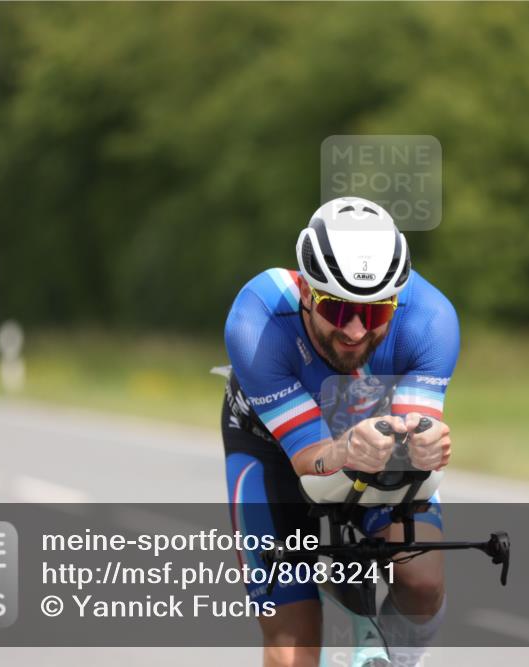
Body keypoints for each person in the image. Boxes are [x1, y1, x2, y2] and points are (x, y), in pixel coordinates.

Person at [222, 197, 460, 667]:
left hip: (373, 436)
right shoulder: (257, 320)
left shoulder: (430, 320)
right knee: (293, 647)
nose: (354, 330)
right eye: (337, 308)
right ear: (307, 292)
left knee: (423, 582)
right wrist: (348, 446)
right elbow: (308, 458)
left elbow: (412, 443)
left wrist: (428, 443)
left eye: (374, 314)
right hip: (273, 446)